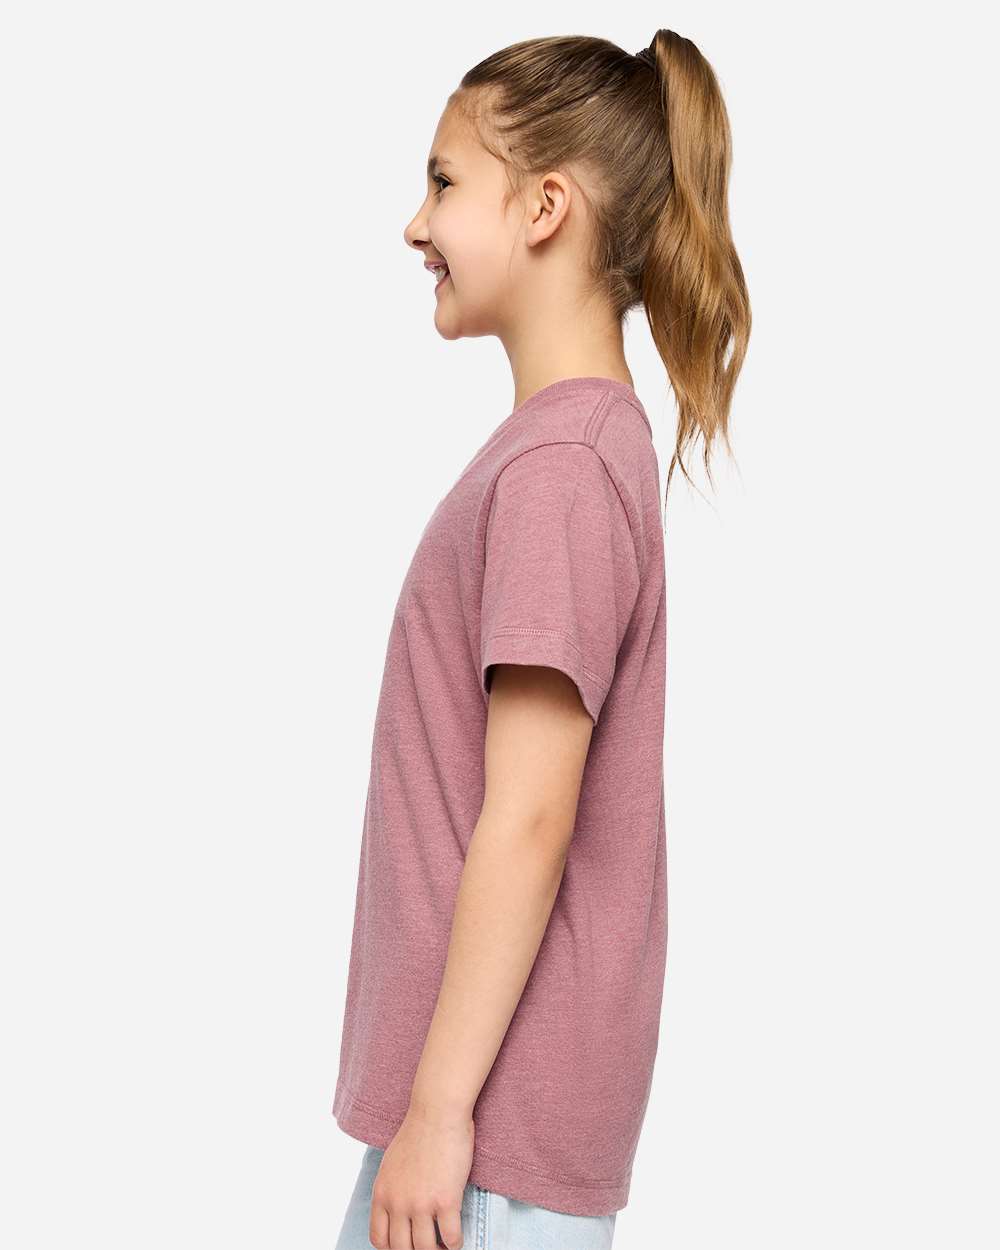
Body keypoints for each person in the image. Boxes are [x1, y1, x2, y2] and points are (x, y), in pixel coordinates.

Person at [332, 29, 750, 1250]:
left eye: (444, 181)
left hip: (479, 1143)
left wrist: (436, 1111)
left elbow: (529, 814)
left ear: (545, 207)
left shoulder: (560, 469)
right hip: (477, 1136)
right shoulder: (570, 450)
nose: (415, 224)